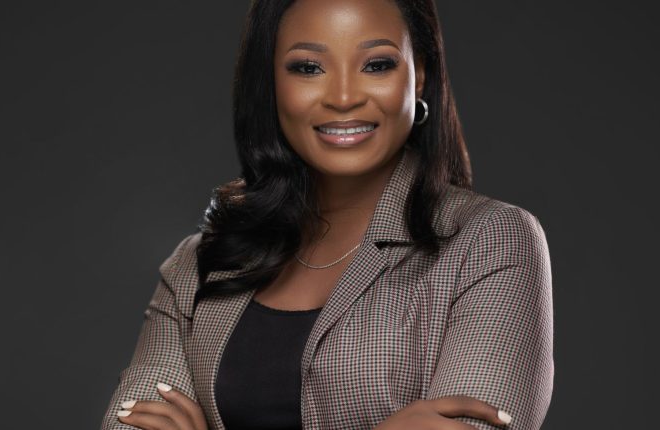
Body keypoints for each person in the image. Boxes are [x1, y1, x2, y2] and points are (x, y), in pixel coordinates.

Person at [100, 0, 554, 429]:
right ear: (271, 82)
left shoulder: (490, 241)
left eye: (377, 64)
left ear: (419, 76)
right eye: (308, 68)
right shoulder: (202, 262)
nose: (343, 97)